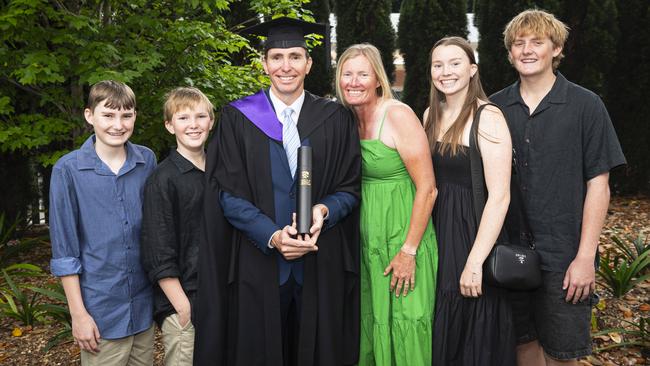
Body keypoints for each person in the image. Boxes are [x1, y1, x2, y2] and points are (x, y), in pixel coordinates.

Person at [193, 17, 362, 366]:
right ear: (264, 63)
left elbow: (350, 187)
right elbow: (226, 194)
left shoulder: (335, 118)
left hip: (320, 264)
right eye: (277, 57)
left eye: (295, 56)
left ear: (309, 63)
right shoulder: (239, 119)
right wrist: (271, 235)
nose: (286, 66)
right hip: (259, 264)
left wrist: (325, 211)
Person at [490, 10, 626, 366]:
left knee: (562, 354)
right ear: (509, 54)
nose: (527, 50)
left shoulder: (586, 105)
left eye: (537, 42)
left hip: (565, 256)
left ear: (557, 48)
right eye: (518, 44)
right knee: (522, 346)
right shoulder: (495, 107)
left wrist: (585, 257)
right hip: (509, 252)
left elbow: (599, 185)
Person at [335, 43, 438, 366]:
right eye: (347, 74)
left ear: (378, 79)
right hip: (368, 242)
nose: (354, 81)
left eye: (362, 74)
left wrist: (409, 251)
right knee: (373, 321)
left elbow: (428, 189)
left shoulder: (397, 115)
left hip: (405, 238)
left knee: (408, 325)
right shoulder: (345, 119)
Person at [49, 80, 156, 366]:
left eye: (126, 115)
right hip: (101, 314)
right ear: (89, 115)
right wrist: (79, 315)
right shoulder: (67, 170)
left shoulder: (147, 161)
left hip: (144, 309)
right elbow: (65, 252)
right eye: (108, 115)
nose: (118, 125)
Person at [423, 37, 516, 365]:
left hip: (471, 232)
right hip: (436, 231)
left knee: (470, 324)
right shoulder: (430, 115)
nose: (445, 72)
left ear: (472, 69)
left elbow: (500, 197)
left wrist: (476, 261)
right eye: (438, 65)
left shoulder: (488, 117)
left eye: (454, 63)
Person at [140, 87, 215, 365]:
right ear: (169, 126)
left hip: (218, 297)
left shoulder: (221, 171)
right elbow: (157, 249)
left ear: (211, 121)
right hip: (184, 302)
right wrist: (182, 307)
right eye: (183, 118)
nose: (193, 125)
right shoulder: (163, 178)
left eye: (200, 116)